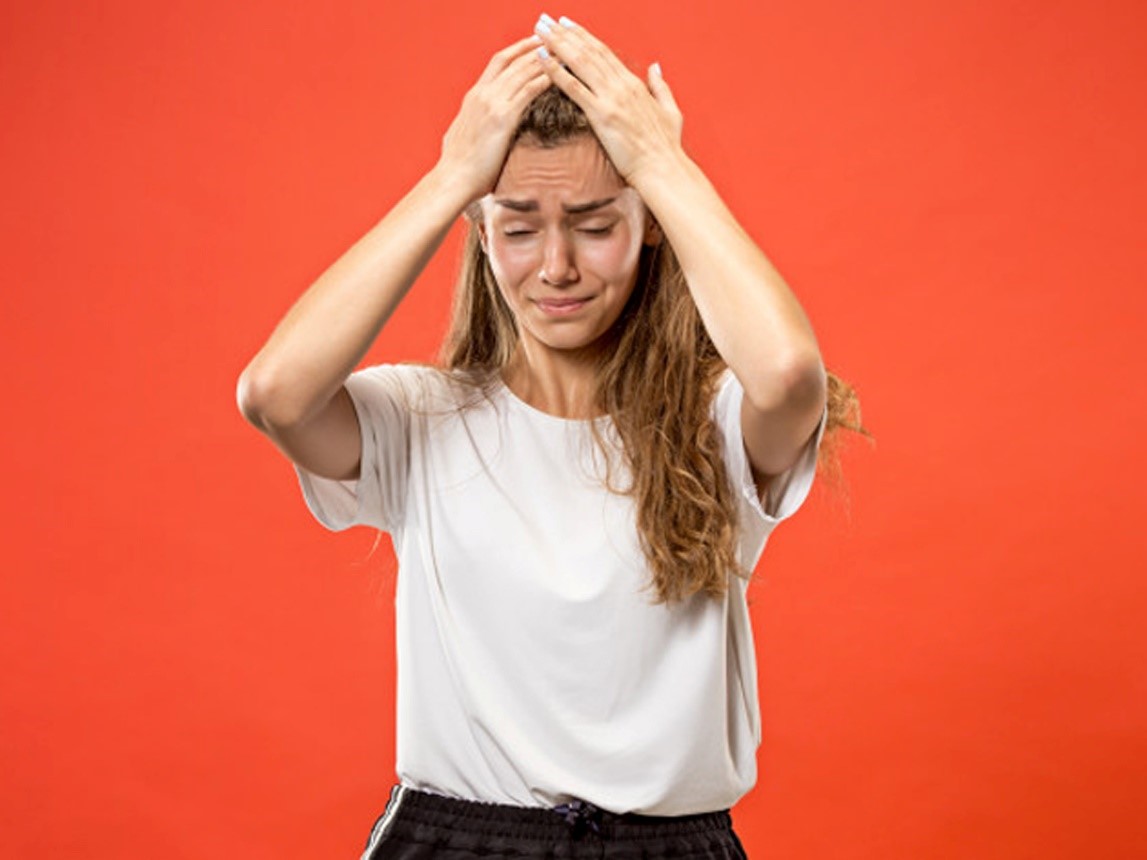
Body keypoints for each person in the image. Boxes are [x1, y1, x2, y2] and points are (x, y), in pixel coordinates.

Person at [238, 13, 863, 860]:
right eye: (519, 226)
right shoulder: (420, 416)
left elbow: (790, 375)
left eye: (596, 224)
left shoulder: (718, 420)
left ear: (649, 227)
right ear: (481, 232)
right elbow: (275, 393)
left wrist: (660, 164)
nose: (557, 267)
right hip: (455, 837)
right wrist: (454, 174)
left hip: (668, 846)